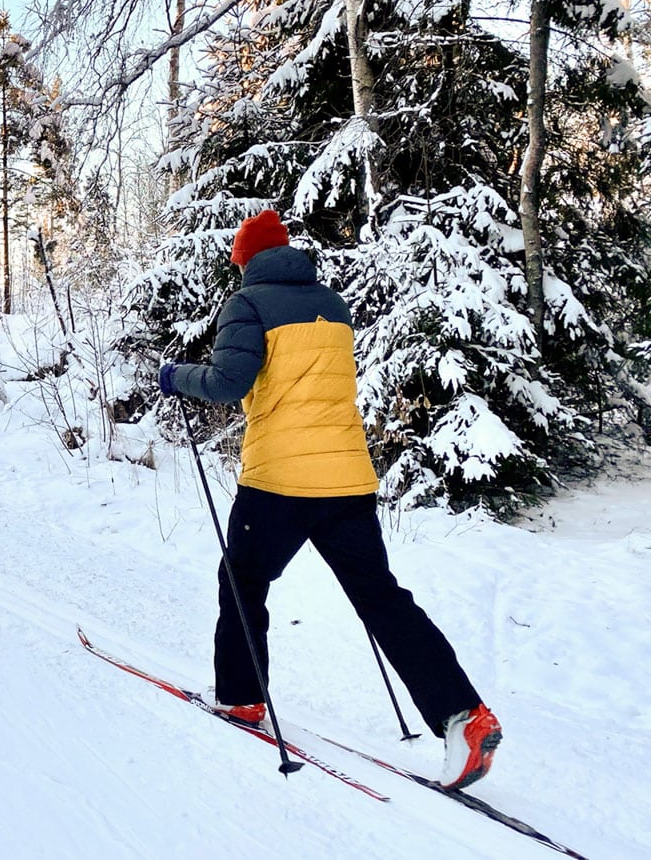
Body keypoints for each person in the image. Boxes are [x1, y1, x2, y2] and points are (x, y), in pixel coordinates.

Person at [159, 209, 501, 790]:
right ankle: (464, 717)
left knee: (242, 581)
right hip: (347, 478)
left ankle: (241, 698)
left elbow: (226, 383)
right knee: (382, 598)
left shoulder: (246, 306)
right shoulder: (333, 305)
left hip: (280, 483)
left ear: (245, 259)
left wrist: (175, 376)